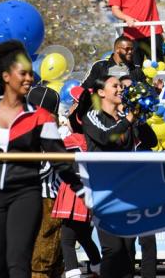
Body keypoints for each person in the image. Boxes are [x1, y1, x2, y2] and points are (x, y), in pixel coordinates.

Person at [0, 40, 84, 278]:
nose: (29, 79)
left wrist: (83, 192)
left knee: (18, 260)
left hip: (25, 193)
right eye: (23, 73)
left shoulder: (40, 116)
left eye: (31, 73)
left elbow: (59, 158)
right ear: (7, 76)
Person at [82, 68, 144, 278]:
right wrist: (127, 120)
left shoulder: (125, 116)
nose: (120, 89)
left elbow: (148, 140)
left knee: (128, 249)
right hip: (103, 189)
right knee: (112, 249)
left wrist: (144, 108)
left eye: (121, 86)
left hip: (127, 188)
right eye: (115, 86)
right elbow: (105, 137)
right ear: (101, 92)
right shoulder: (93, 115)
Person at [53, 86, 102, 278]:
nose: (70, 108)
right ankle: (98, 267)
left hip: (74, 191)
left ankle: (73, 274)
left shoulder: (72, 139)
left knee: (66, 239)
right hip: (90, 191)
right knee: (83, 235)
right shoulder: (92, 141)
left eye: (74, 104)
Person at [27, 85, 65, 278]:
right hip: (27, 199)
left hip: (47, 199)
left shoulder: (52, 138)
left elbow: (43, 168)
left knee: (43, 258)